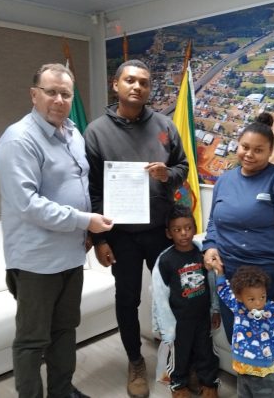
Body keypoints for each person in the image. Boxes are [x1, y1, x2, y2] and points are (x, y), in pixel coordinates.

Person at [0, 63, 113, 398]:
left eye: (65, 94)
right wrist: (85, 221)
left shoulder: (73, 133)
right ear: (34, 95)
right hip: (37, 262)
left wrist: (87, 230)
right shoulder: (18, 140)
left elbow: (79, 186)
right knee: (32, 341)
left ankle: (62, 392)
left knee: (65, 330)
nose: (59, 100)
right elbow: (28, 205)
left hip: (71, 255)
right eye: (51, 92)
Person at [84, 59, 189, 398]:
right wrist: (100, 239)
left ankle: (179, 360)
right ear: (115, 85)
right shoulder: (96, 132)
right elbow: (92, 191)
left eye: (144, 82)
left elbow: (183, 167)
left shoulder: (164, 125)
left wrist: (167, 174)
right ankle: (135, 361)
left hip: (161, 231)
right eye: (130, 80)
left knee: (174, 295)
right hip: (121, 236)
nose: (137, 87)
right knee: (127, 299)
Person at [202, 112, 274, 398]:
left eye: (258, 150)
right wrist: (210, 246)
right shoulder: (225, 180)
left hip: (269, 282)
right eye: (245, 147)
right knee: (242, 343)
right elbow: (214, 222)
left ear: (271, 151)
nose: (249, 154)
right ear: (237, 145)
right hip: (231, 281)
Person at [211, 264, 274, 398]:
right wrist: (219, 272)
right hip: (241, 367)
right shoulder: (237, 305)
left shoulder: (273, 310)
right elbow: (223, 290)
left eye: (262, 296)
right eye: (251, 299)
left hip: (264, 372)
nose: (258, 303)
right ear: (239, 297)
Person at [152, 205, 221, 398]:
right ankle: (179, 385)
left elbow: (212, 283)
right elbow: (160, 296)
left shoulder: (202, 253)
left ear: (195, 228)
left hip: (202, 317)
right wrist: (165, 327)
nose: (184, 233)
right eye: (177, 229)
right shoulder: (165, 260)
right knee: (180, 356)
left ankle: (209, 384)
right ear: (169, 233)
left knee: (206, 352)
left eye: (188, 228)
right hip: (179, 321)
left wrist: (215, 309)